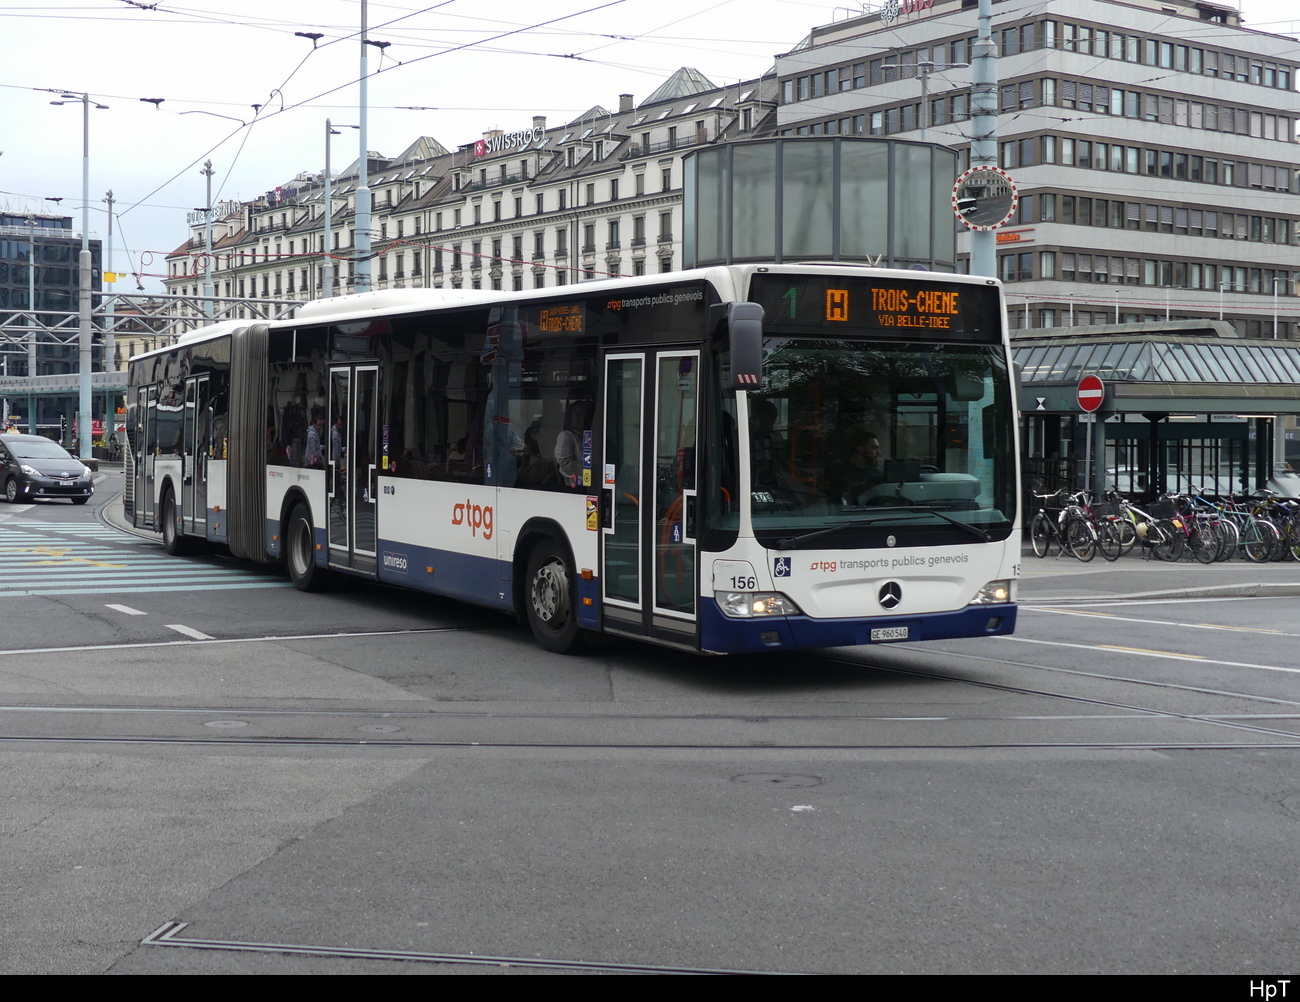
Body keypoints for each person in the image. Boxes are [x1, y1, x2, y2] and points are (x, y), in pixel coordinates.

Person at [831, 429, 887, 505]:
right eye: (874, 448)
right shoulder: (839, 473)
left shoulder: (877, 474)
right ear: (860, 450)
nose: (879, 453)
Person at [555, 399, 591, 488]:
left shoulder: (588, 436)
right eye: (578, 415)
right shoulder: (566, 436)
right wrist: (591, 471)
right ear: (570, 418)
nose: (582, 418)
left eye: (585, 415)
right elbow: (566, 463)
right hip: (573, 486)